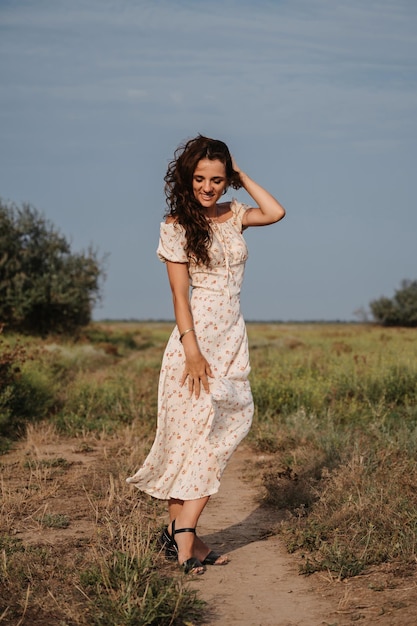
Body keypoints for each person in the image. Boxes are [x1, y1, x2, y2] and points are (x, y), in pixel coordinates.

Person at [127, 135, 285, 575]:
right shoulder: (176, 225)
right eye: (200, 178)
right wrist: (191, 350)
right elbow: (180, 296)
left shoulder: (235, 216)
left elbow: (275, 212)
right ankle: (184, 539)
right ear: (187, 178)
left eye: (217, 179)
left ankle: (184, 537)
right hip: (195, 343)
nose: (208, 187)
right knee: (197, 440)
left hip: (233, 336)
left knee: (229, 424)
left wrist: (242, 175)